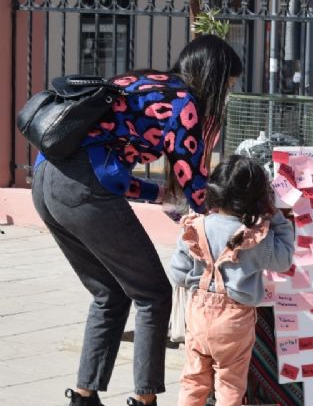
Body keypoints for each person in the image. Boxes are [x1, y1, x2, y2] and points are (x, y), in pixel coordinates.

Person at [31, 34, 243, 406]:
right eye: (226, 85)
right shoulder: (184, 103)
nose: (225, 95)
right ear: (212, 75)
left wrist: (154, 194)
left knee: (109, 292)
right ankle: (145, 400)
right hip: (82, 189)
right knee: (153, 294)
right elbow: (195, 187)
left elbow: (108, 162)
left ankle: (84, 395)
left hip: (46, 180)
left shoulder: (140, 80)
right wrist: (231, 218)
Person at [169, 155, 294, 406]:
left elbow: (178, 273)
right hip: (234, 321)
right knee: (230, 383)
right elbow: (283, 260)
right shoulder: (256, 237)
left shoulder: (196, 226)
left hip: (198, 315)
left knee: (193, 379)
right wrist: (277, 218)